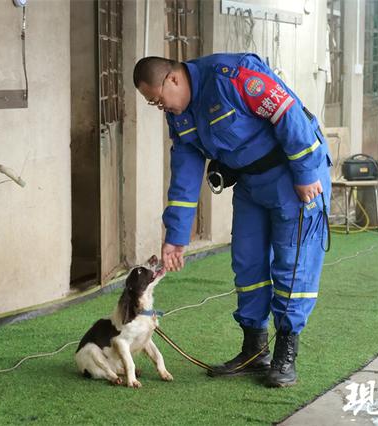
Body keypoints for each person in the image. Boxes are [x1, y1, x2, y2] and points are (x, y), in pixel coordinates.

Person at [133, 53, 331, 387]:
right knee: (247, 261)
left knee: (292, 262)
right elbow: (184, 174)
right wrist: (176, 236)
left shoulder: (231, 77)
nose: (161, 108)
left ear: (174, 80)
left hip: (292, 177)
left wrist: (306, 171)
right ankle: (255, 351)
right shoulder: (180, 116)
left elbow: (287, 113)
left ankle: (285, 354)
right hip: (251, 183)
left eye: (157, 100)